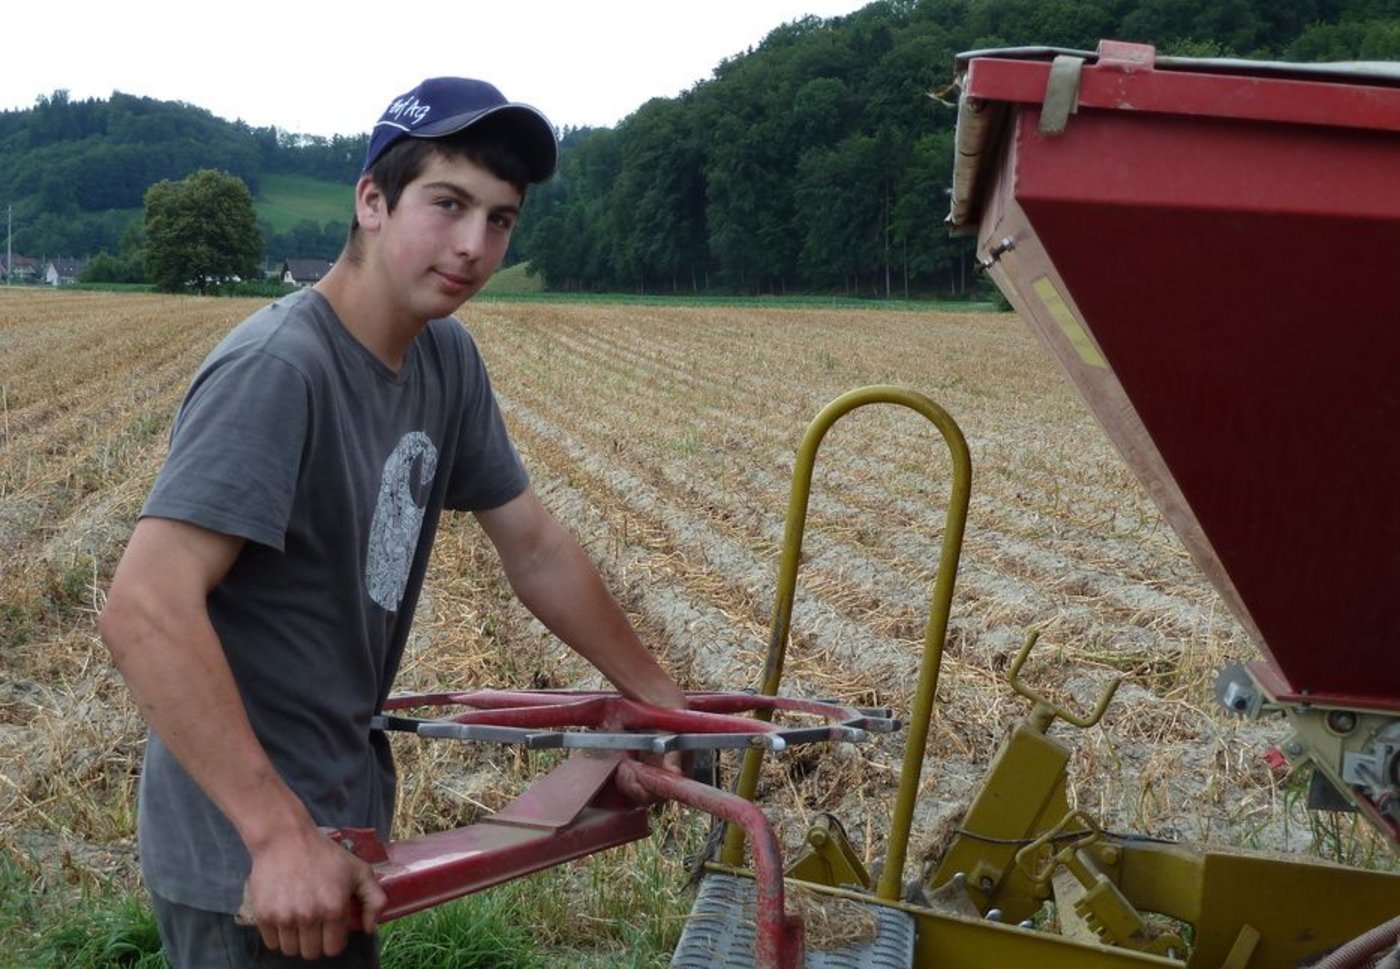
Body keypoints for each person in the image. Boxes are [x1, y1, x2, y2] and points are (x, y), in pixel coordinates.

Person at [99, 77, 686, 968]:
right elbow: (144, 606)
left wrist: (661, 702)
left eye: (500, 219)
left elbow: (534, 546)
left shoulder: (443, 357)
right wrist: (275, 836)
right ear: (371, 200)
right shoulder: (279, 369)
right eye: (447, 204)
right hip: (252, 859)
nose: (473, 245)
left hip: (340, 816)